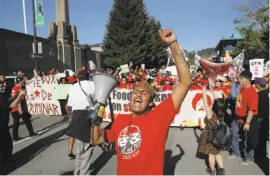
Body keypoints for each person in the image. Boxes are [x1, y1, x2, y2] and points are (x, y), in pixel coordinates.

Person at [92, 29, 192, 175]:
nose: (138, 95)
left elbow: (185, 82)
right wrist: (96, 120)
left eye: (144, 93)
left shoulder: (160, 116)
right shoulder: (120, 120)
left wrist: (172, 43)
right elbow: (97, 139)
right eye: (135, 92)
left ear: (151, 102)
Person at [65, 70, 95, 175]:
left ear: (78, 77)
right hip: (88, 115)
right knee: (88, 147)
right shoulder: (93, 84)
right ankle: (84, 173)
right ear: (88, 77)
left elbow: (70, 105)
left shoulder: (73, 86)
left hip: (76, 116)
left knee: (79, 147)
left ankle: (77, 171)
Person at [227, 70, 260, 165]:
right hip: (237, 117)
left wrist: (247, 122)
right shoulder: (241, 88)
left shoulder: (252, 92)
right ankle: (236, 153)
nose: (239, 79)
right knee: (234, 135)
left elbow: (251, 109)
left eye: (240, 78)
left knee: (247, 139)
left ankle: (249, 157)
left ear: (247, 79)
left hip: (247, 119)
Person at [199, 85, 226, 175]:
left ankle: (212, 170)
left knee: (211, 154)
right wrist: (213, 92)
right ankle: (221, 170)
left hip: (210, 135)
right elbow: (219, 103)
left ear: (214, 105)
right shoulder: (222, 113)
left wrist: (204, 91)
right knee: (218, 153)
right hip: (219, 136)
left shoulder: (210, 113)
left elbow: (205, 102)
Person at [0, 73, 26, 164]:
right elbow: (12, 104)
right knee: (7, 143)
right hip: (2, 126)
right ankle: (7, 158)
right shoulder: (2, 96)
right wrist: (20, 95)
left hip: (3, 124)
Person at [11, 76, 36, 142]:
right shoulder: (20, 88)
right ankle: (32, 134)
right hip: (19, 109)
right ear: (19, 81)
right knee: (27, 121)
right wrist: (21, 109)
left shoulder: (14, 88)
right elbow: (20, 100)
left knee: (15, 124)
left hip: (14, 109)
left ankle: (15, 138)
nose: (23, 81)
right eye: (22, 81)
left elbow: (19, 99)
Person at [254, 77, 269, 158]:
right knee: (263, 136)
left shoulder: (261, 94)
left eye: (255, 83)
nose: (255, 84)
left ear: (258, 85)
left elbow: (257, 106)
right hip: (265, 118)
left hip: (260, 118)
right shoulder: (266, 92)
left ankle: (260, 153)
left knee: (259, 136)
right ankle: (262, 152)